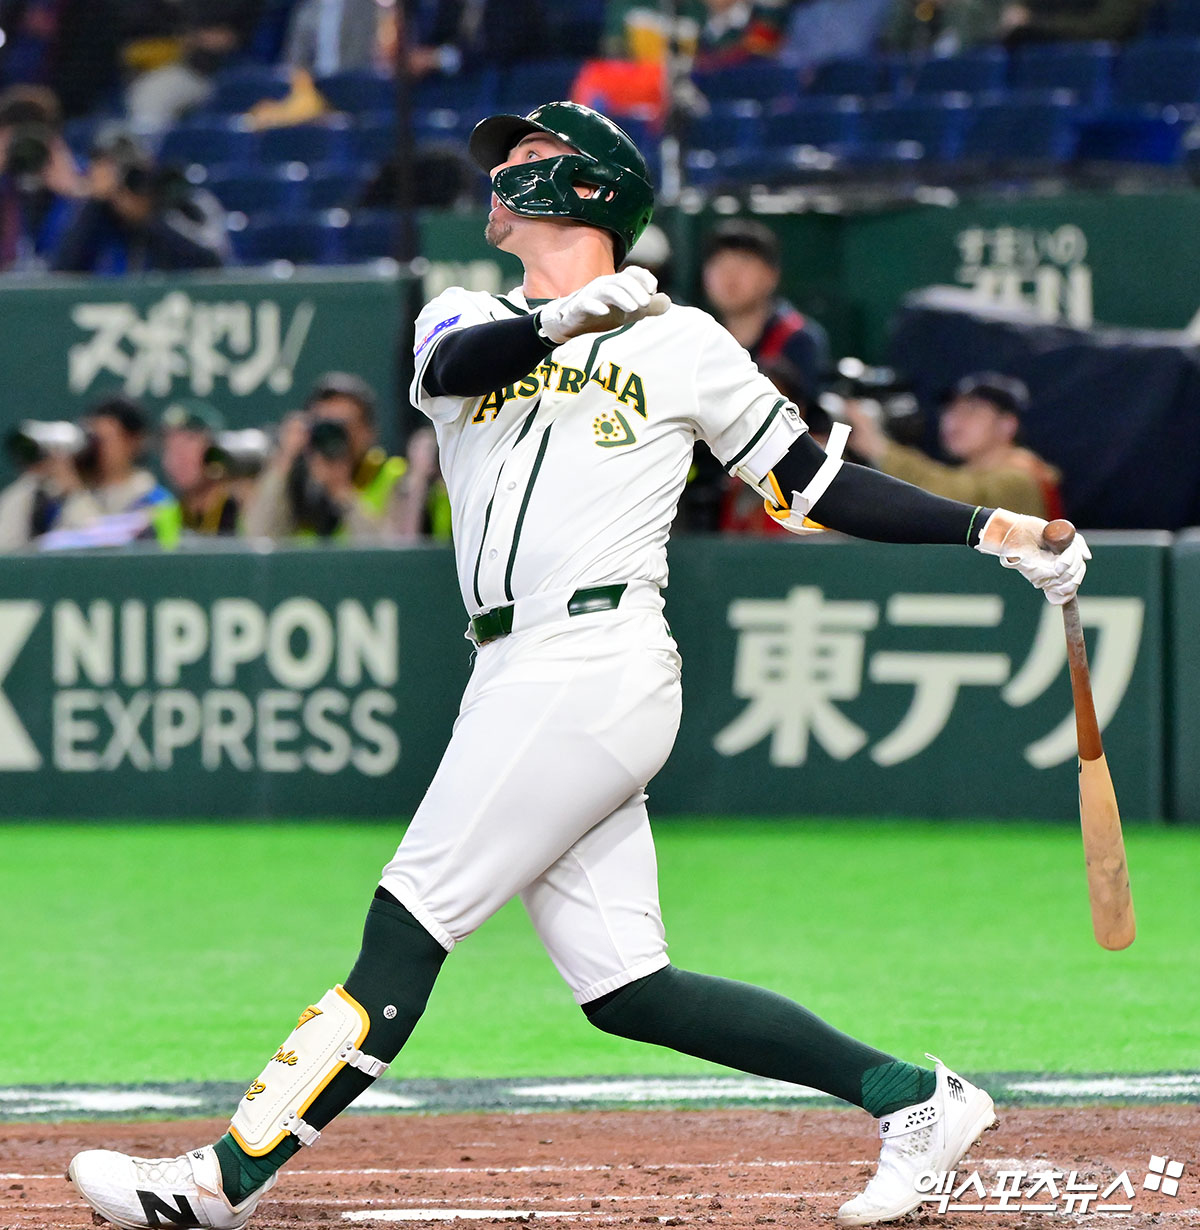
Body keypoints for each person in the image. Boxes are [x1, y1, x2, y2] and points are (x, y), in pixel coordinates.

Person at [68, 100, 1089, 1230]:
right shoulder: (467, 311)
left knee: (411, 919)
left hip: (597, 658)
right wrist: (559, 323)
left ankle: (217, 1184)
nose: (502, 170)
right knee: (628, 989)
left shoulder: (685, 342)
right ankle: (913, 1098)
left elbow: (810, 485)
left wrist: (996, 531)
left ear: (593, 188)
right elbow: (459, 364)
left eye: (530, 154)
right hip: (512, 663)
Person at [844, 371, 1064, 520]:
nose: (953, 421)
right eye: (950, 411)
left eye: (971, 411)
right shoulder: (973, 473)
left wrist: (880, 448)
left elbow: (949, 498)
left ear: (1007, 425)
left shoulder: (1020, 479)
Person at [244, 372, 407, 542]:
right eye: (323, 424)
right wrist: (285, 460)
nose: (332, 435)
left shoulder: (392, 476)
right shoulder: (296, 477)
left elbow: (389, 549)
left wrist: (342, 492)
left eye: (343, 425)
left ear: (368, 432)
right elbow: (258, 536)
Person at [52, 128, 228, 274]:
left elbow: (213, 261)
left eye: (131, 171)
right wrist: (96, 201)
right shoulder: (101, 214)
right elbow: (62, 273)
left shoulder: (187, 200)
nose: (125, 182)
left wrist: (148, 220)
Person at [37, 394, 177, 549]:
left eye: (104, 440)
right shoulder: (59, 495)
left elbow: (107, 551)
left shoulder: (155, 501)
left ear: (133, 442)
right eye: (91, 439)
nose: (96, 449)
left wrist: (75, 494)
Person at [0, 85, 82, 272]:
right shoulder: (4, 180)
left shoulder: (76, 171)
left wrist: (74, 192)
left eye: (35, 123)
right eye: (15, 122)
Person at [158, 399, 242, 538]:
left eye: (189, 442)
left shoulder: (242, 509)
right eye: (170, 446)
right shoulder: (162, 517)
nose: (178, 457)